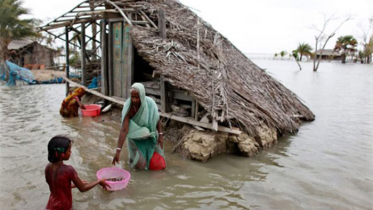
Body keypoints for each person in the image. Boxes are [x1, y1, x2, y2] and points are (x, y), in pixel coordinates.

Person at [45, 135, 110, 210]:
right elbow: (83, 188)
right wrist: (99, 181)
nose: (71, 152)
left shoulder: (48, 167)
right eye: (69, 150)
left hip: (51, 205)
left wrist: (74, 185)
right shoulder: (68, 170)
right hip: (63, 206)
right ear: (62, 154)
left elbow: (57, 186)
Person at [112, 83, 166, 170]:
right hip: (136, 138)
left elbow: (156, 119)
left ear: (142, 95)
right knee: (138, 165)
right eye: (132, 97)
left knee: (159, 164)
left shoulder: (150, 104)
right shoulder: (128, 107)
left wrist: (160, 135)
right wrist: (118, 151)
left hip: (150, 136)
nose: (134, 100)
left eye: (137, 97)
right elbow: (124, 130)